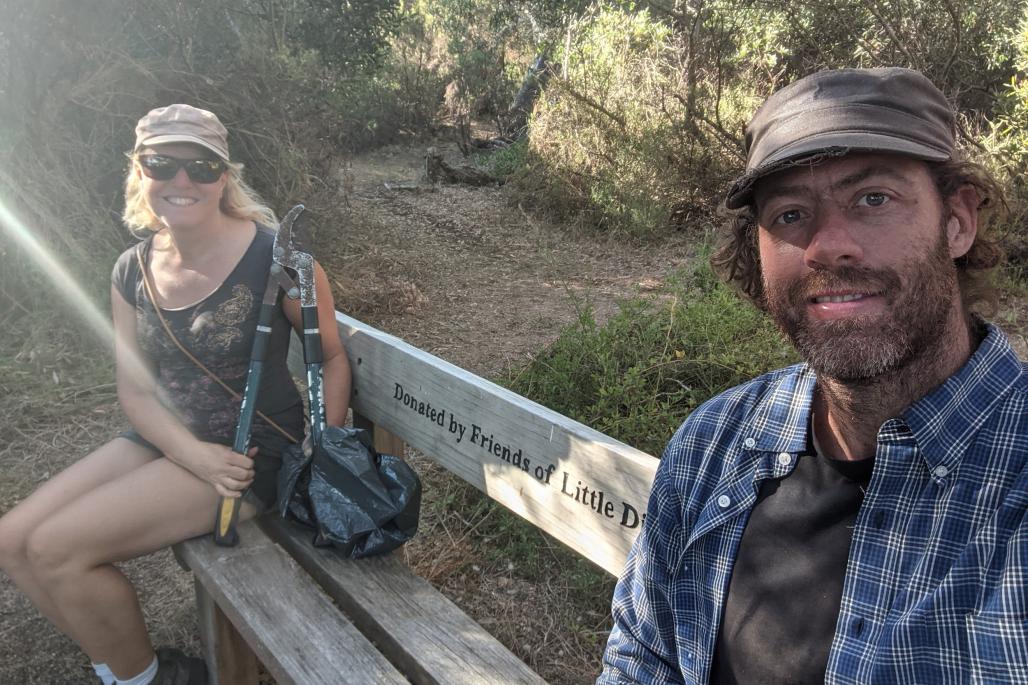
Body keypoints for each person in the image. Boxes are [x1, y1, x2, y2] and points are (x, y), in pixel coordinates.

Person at [597, 68, 1026, 684]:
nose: (829, 246)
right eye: (792, 214)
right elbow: (643, 656)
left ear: (957, 220)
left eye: (872, 198)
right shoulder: (715, 443)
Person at [0, 104, 351, 685]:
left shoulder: (280, 259)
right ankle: (127, 669)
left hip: (252, 453)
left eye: (201, 165)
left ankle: (153, 679)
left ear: (224, 176)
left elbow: (332, 357)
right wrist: (189, 454)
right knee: (13, 542)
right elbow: (136, 392)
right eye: (161, 163)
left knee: (57, 551)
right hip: (171, 440)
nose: (181, 181)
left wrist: (324, 456)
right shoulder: (131, 268)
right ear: (140, 172)